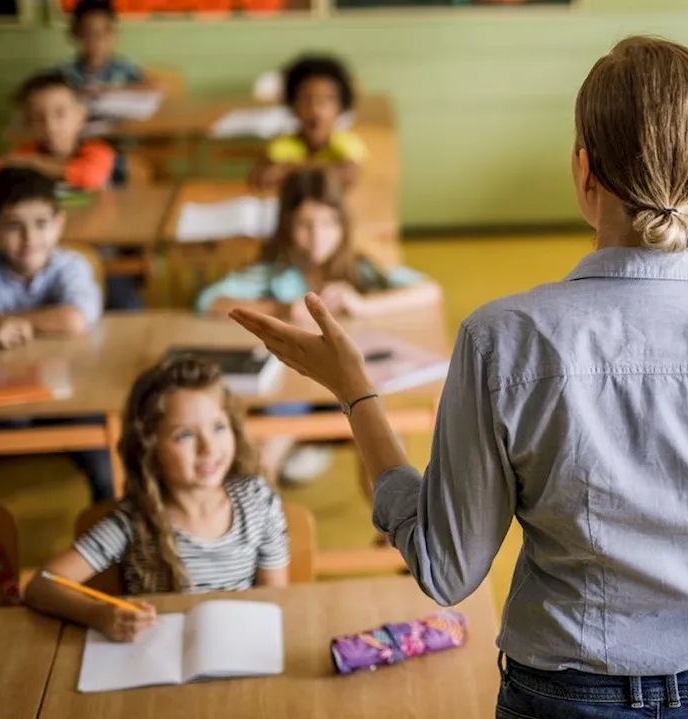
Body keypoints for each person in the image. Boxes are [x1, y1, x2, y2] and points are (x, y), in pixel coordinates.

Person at [232, 36, 688, 718]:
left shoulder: (500, 337)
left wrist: (356, 393)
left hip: (564, 693)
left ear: (584, 173)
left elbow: (447, 568)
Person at [197, 167, 438, 486]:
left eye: (328, 223)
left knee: (386, 458)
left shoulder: (359, 270)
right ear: (286, 226)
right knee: (262, 458)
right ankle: (265, 528)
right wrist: (281, 308)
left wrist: (364, 304)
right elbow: (209, 300)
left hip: (355, 390)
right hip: (290, 397)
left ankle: (388, 536)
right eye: (304, 225)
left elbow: (429, 290)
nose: (317, 236)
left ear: (343, 224)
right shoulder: (273, 274)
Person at [24, 357, 290, 642]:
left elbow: (272, 602)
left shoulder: (259, 502)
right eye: (184, 435)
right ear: (149, 448)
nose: (208, 447)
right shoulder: (133, 521)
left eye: (218, 427)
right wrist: (99, 615)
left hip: (239, 648)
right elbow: (41, 585)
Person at [0, 167, 113, 503]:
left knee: (107, 463)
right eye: (13, 226)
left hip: (69, 397)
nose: (29, 239)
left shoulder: (71, 266)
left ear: (59, 224)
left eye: (41, 224)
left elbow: (74, 320)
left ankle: (111, 526)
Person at [250, 55, 365, 191]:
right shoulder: (282, 145)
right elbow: (265, 176)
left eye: (325, 100)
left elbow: (350, 174)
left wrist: (291, 169)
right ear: (293, 105)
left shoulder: (346, 144)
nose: (315, 110)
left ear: (340, 107)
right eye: (306, 100)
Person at [0, 72, 116, 191]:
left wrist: (30, 164)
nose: (50, 126)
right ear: (29, 123)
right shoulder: (24, 152)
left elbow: (90, 176)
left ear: (80, 116)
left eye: (60, 114)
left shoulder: (98, 151)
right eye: (38, 118)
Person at [58, 0, 149, 97]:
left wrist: (112, 90)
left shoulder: (123, 68)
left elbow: (155, 87)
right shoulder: (64, 73)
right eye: (89, 32)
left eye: (106, 31)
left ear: (115, 34)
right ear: (75, 33)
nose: (99, 39)